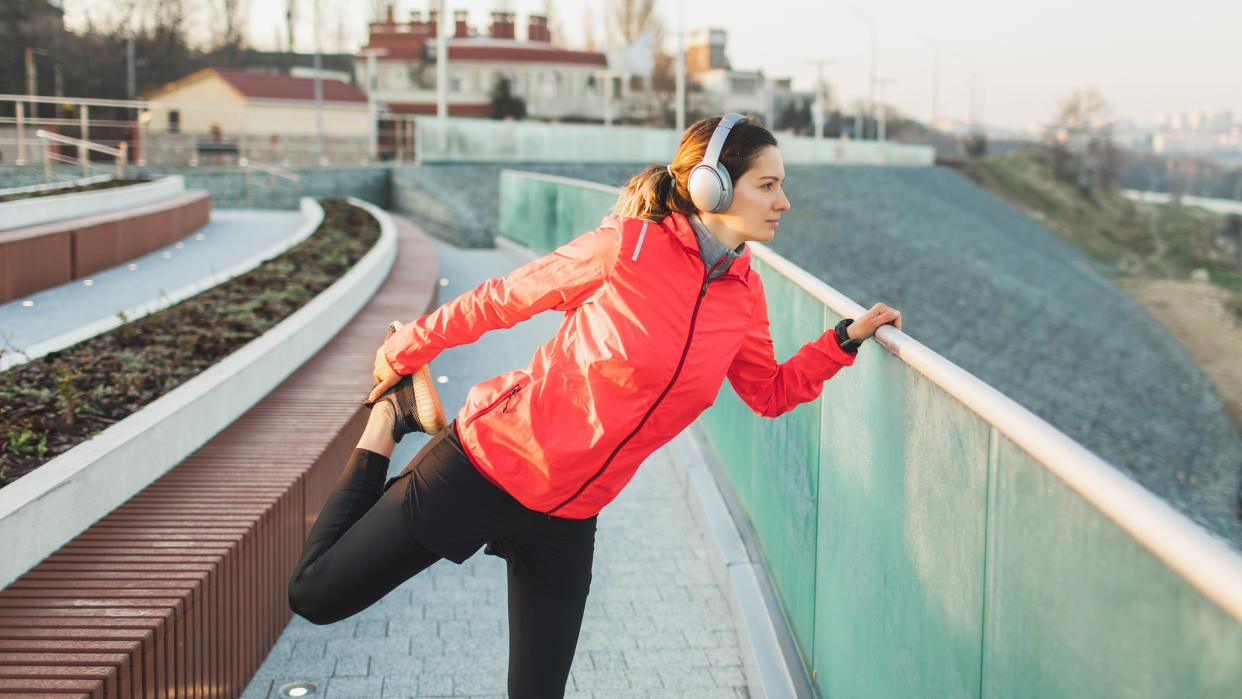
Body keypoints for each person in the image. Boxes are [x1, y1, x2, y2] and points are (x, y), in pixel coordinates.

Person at [287, 114, 902, 698]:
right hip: (490, 463)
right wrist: (407, 346)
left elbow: (767, 393)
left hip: (571, 514)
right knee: (316, 596)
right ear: (710, 186)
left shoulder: (745, 293)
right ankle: (389, 420)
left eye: (781, 186)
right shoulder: (626, 248)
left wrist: (841, 342)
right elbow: (504, 299)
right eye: (767, 185)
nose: (782, 202)